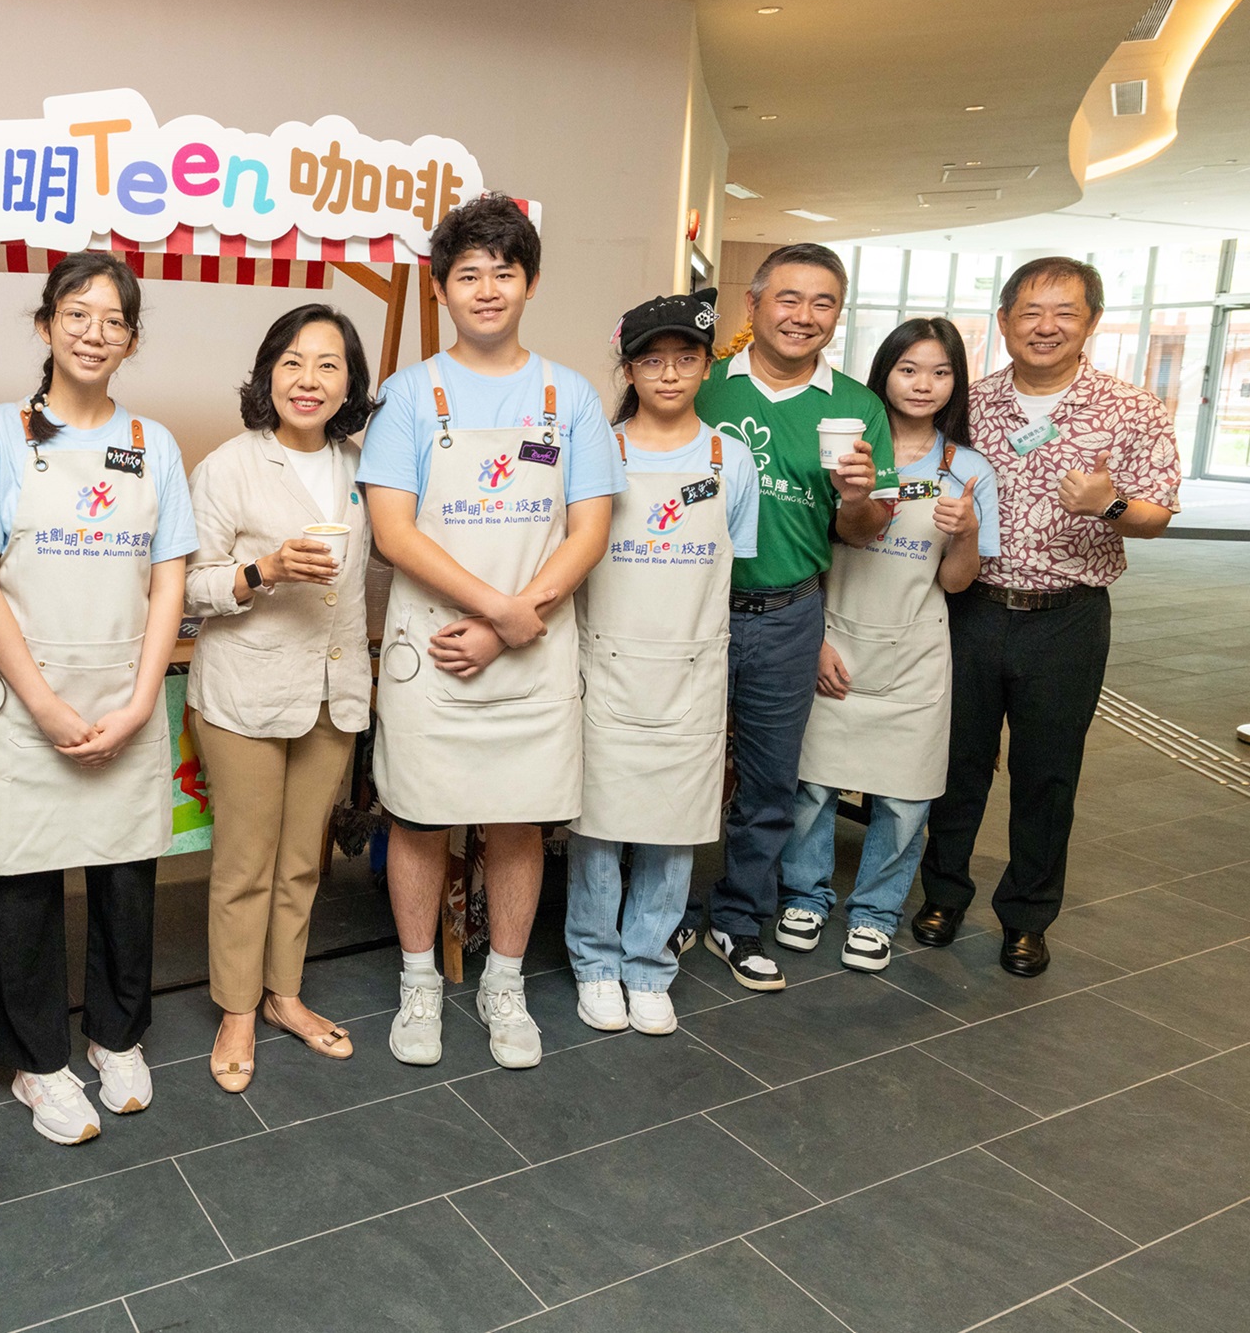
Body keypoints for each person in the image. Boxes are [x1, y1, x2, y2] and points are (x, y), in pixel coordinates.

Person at [360, 193, 618, 1071]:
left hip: (533, 652)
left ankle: (504, 986)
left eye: (502, 272)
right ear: (441, 290)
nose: (485, 289)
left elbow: (590, 530)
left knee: (518, 824)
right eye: (466, 274)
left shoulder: (568, 394)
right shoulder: (408, 395)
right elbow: (394, 532)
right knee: (421, 820)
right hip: (433, 650)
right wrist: (495, 610)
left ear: (530, 283)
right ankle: (420, 983)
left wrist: (515, 622)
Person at [0, 252, 195, 1144]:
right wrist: (46, 706)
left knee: (126, 876)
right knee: (21, 881)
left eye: (114, 319)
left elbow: (168, 581)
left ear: (132, 338)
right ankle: (36, 1062)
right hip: (26, 700)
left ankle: (116, 1035)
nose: (95, 332)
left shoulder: (154, 444)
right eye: (77, 313)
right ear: (46, 324)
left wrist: (141, 704)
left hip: (125, 692)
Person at [915, 257, 1178, 976]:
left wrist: (1110, 505)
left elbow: (1156, 514)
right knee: (956, 762)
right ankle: (942, 892)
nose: (1046, 326)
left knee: (1048, 773)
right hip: (970, 608)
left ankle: (1027, 916)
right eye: (1030, 311)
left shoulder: (1132, 409)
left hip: (1068, 618)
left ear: (1091, 321)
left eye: (1064, 312)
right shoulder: (967, 401)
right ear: (1003, 322)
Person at [687, 242, 899, 992]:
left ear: (837, 317)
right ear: (753, 305)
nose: (803, 317)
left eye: (823, 304)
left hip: (788, 614)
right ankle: (669, 907)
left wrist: (857, 496)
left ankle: (737, 919)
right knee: (679, 767)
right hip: (692, 611)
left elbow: (863, 531)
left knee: (772, 783)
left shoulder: (856, 405)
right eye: (788, 299)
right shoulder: (703, 386)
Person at [186, 303, 374, 1092]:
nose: (309, 379)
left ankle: (284, 996)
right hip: (246, 693)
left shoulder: (365, 468)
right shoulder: (229, 466)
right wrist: (264, 570)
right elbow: (191, 587)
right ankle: (235, 1007)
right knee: (244, 864)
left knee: (303, 862)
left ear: (350, 384)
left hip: (334, 692)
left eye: (329, 365)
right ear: (268, 372)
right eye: (293, 361)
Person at [777, 317, 999, 974]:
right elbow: (809, 550)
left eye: (940, 372)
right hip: (838, 633)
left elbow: (958, 583)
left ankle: (875, 912)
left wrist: (964, 533)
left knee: (906, 795)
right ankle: (805, 896)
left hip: (916, 648)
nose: (923, 385)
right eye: (908, 370)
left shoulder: (969, 470)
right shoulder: (847, 451)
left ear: (957, 382)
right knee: (812, 785)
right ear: (884, 374)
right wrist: (813, 640)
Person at [565, 290, 758, 1036]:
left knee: (673, 827)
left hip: (691, 666)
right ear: (629, 368)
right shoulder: (597, 453)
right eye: (652, 360)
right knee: (600, 826)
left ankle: (650, 968)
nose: (669, 374)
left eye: (685, 359)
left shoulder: (728, 459)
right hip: (608, 662)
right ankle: (594, 962)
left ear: (707, 366)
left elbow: (732, 567)